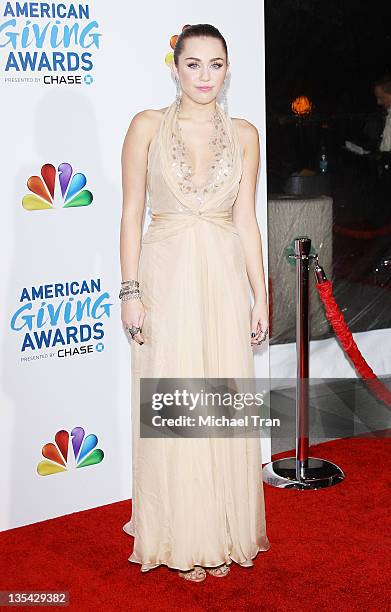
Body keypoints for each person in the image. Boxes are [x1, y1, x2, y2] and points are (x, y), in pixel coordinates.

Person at [120, 23, 271, 583]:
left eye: (216, 64)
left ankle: (221, 531)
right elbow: (131, 213)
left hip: (225, 278)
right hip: (166, 275)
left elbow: (246, 221)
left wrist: (261, 294)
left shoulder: (246, 134)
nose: (205, 76)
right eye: (194, 64)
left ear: (228, 68)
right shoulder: (146, 127)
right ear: (175, 66)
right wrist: (129, 290)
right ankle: (181, 535)